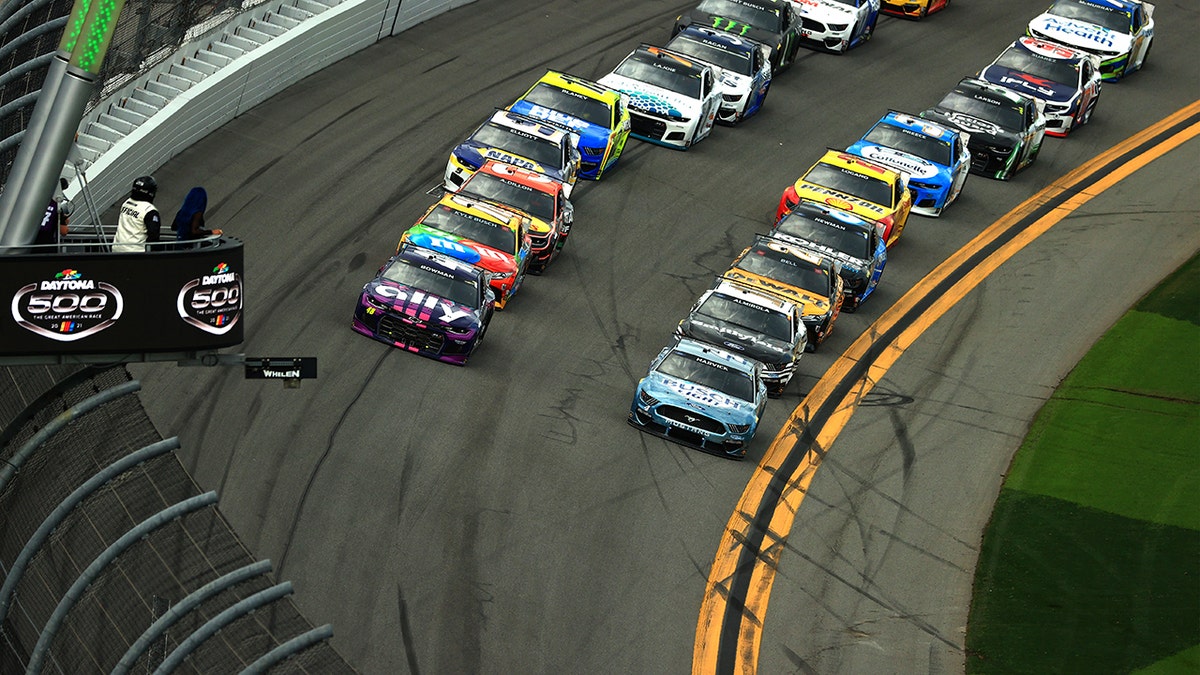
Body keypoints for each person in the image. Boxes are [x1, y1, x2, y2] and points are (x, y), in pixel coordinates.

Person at [113, 175, 161, 252]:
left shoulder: (126, 203)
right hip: (136, 253)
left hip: (117, 248)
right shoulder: (149, 210)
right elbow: (154, 236)